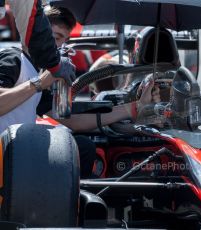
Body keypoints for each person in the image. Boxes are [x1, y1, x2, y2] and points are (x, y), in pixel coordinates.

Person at [0, 3, 159, 177]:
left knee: (82, 148)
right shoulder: (14, 59)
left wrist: (134, 108)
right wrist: (40, 82)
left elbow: (72, 120)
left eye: (60, 39)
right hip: (7, 156)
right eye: (51, 36)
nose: (53, 45)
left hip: (19, 155)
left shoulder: (41, 73)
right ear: (36, 34)